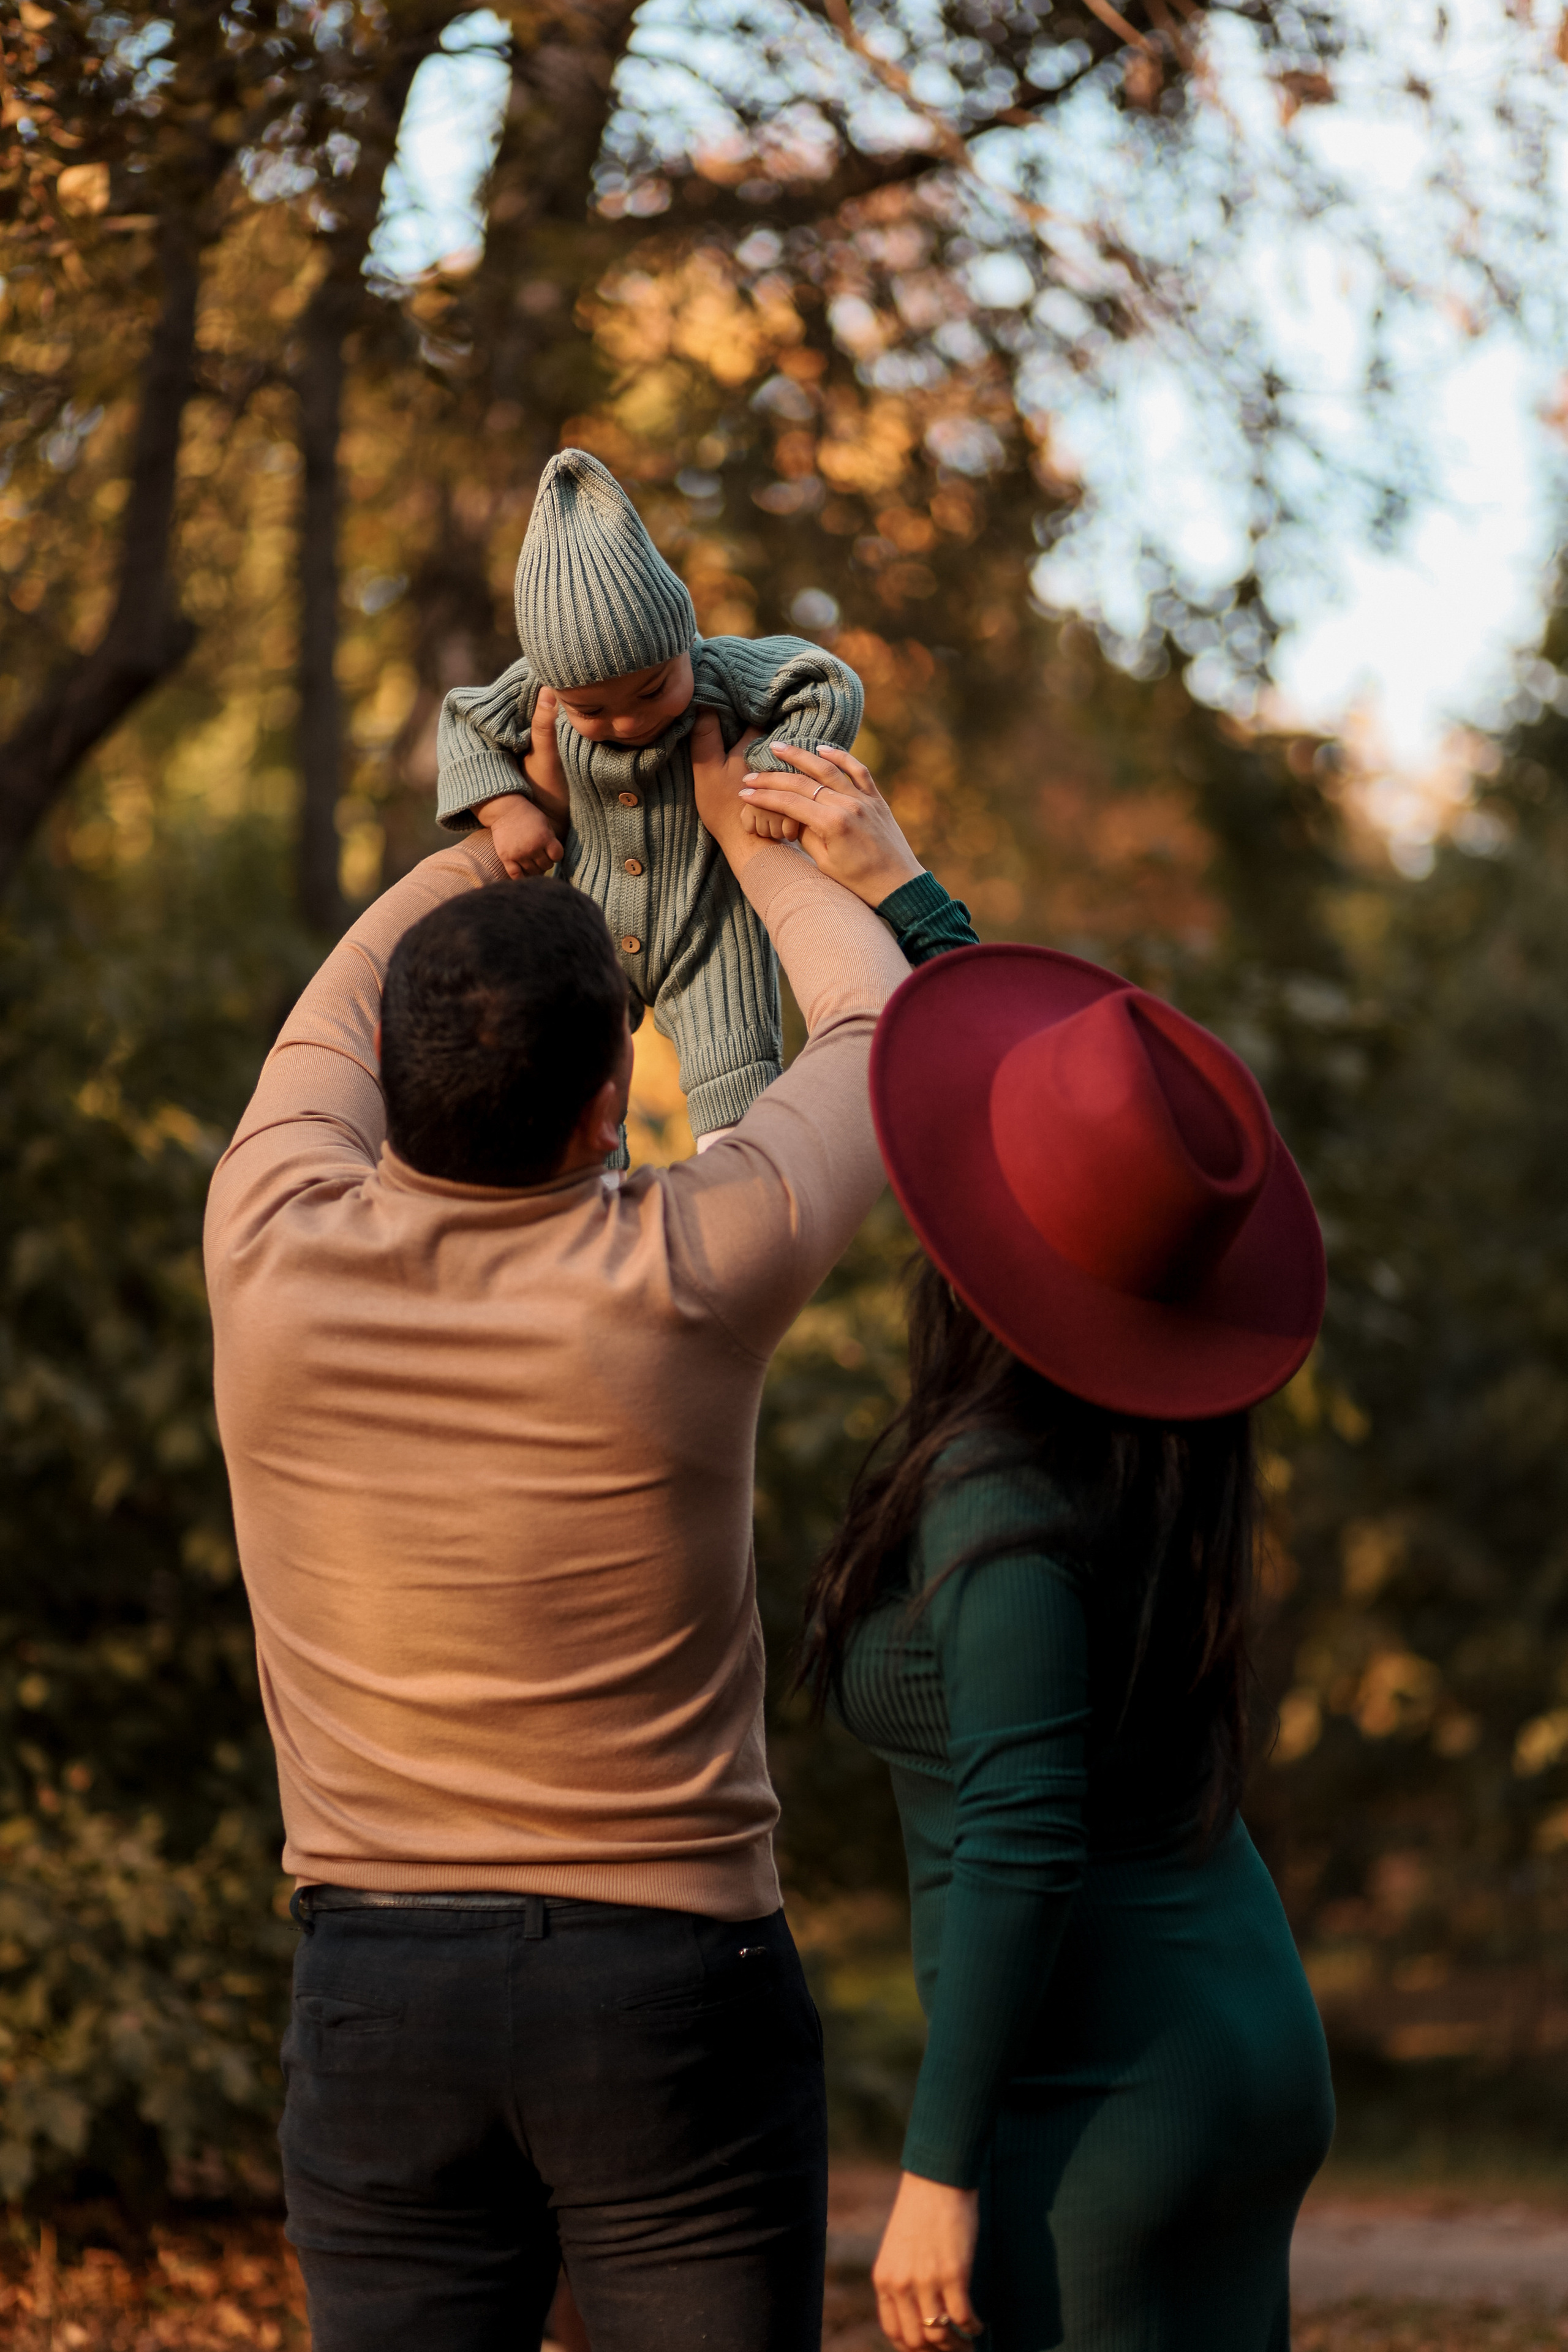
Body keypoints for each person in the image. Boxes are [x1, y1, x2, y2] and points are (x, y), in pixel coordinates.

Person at [202, 719, 969, 2352]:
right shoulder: (695, 1265)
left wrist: (501, 831)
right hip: (669, 1993)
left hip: (377, 1992)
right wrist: (747, 828)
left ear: (387, 1074)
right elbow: (871, 1015)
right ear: (609, 1101)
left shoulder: (264, 1242)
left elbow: (337, 1000)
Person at [771, 925, 1337, 2352]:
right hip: (1238, 2022)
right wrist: (890, 882)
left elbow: (1021, 1831)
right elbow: (1104, 1112)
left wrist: (935, 2167)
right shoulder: (1161, 1435)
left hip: (1100, 2087)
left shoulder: (997, 1493)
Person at [433, 446, 866, 1155]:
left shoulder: (722, 669)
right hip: (586, 923)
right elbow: (461, 721)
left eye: (651, 689)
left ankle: (738, 1199)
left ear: (681, 643)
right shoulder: (535, 688)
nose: (629, 721)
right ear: (553, 687)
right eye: (592, 710)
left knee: (735, 1074)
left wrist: (763, 776)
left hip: (709, 924)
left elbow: (827, 682)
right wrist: (509, 808)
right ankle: (587, 1193)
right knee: (566, 1071)